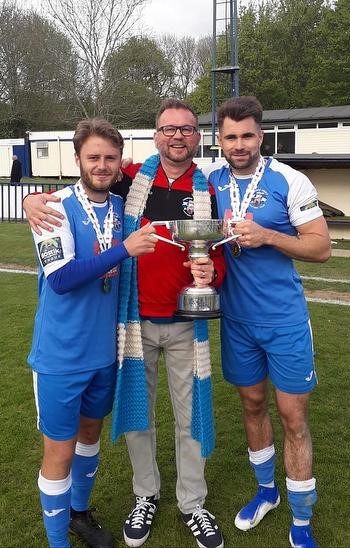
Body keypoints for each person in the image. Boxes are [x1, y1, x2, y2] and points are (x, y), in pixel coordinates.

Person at [23, 99, 226, 548]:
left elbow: (216, 252)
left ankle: (193, 503)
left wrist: (212, 273)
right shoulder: (132, 180)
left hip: (184, 322)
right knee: (138, 415)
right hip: (132, 325)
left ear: (197, 137)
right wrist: (31, 198)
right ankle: (144, 495)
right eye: (169, 128)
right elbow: (76, 195)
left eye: (187, 129)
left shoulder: (207, 189)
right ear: (155, 135)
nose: (178, 136)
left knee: (190, 417)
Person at [203, 96, 331, 548]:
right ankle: (267, 493)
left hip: (284, 321)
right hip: (236, 321)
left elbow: (320, 248)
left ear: (261, 136)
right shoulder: (208, 179)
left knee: (293, 416)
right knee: (252, 406)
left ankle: (301, 520)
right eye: (230, 137)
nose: (239, 145)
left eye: (248, 136)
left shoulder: (288, 180)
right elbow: (132, 175)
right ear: (220, 140)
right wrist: (43, 195)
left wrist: (269, 236)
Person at [27, 117, 156, 548]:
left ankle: (79, 514)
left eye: (110, 158)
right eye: (93, 157)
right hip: (61, 356)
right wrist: (124, 249)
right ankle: (57, 541)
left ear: (120, 163)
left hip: (104, 354)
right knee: (59, 452)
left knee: (89, 438)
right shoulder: (53, 207)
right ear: (78, 159)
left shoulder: (121, 208)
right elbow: (61, 278)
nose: (102, 165)